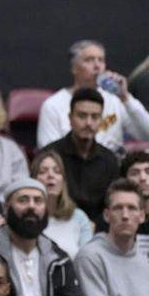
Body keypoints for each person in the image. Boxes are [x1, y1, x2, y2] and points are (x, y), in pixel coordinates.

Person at [0, 178, 83, 296]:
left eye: (38, 201)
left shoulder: (59, 258)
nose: (31, 206)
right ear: (6, 207)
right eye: (23, 200)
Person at [37, 40, 149, 153]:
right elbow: (48, 154)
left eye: (101, 60)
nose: (97, 66)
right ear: (74, 68)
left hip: (111, 167)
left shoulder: (115, 100)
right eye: (89, 60)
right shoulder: (53, 105)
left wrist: (126, 98)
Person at [40, 90, 120, 225]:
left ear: (101, 120)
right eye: (82, 116)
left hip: (99, 231)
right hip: (57, 224)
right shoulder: (50, 155)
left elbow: (113, 204)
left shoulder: (109, 160)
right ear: (70, 118)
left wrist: (97, 226)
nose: (88, 123)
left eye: (95, 117)